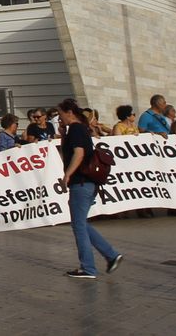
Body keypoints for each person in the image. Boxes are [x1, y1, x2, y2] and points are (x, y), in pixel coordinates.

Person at [57, 98, 121, 280]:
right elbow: (70, 152)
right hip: (86, 183)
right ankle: (111, 255)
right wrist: (63, 134)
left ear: (69, 112)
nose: (59, 118)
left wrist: (67, 174)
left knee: (78, 225)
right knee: (81, 223)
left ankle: (88, 267)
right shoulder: (78, 129)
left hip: (81, 182)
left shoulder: (76, 128)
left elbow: (79, 153)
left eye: (60, 114)